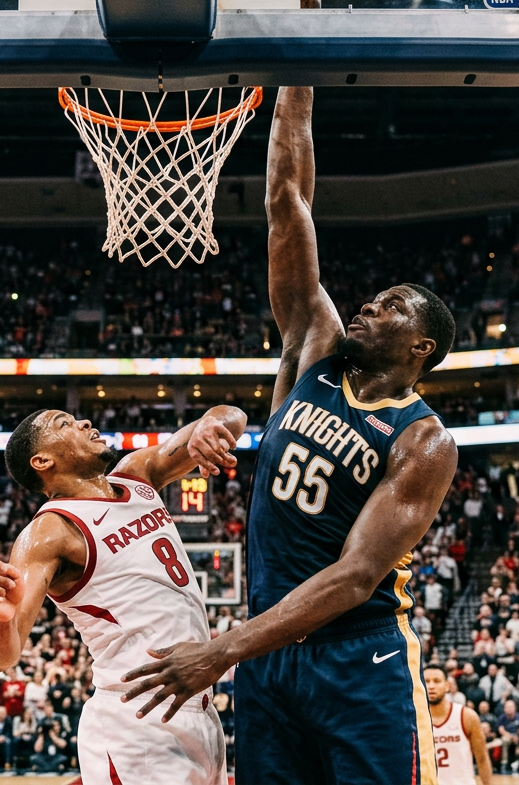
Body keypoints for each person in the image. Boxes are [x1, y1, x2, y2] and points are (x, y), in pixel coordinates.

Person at [118, 86, 458, 785]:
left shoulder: (424, 441)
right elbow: (287, 205)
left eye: (391, 307)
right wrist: (295, 69)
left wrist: (221, 652)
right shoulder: (315, 349)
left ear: (420, 346)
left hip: (357, 660)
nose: (368, 304)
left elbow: (357, 577)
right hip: (270, 659)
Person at [0, 405, 245, 785]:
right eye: (64, 424)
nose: (84, 422)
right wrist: (1, 619)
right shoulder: (49, 533)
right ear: (42, 460)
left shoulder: (138, 475)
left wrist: (210, 425)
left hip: (198, 707)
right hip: (137, 721)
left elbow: (234, 417)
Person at [424, 667, 492, 785]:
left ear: (447, 686)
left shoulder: (467, 717)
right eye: (427, 681)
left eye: (436, 681)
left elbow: (482, 758)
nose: (431, 686)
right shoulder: (415, 721)